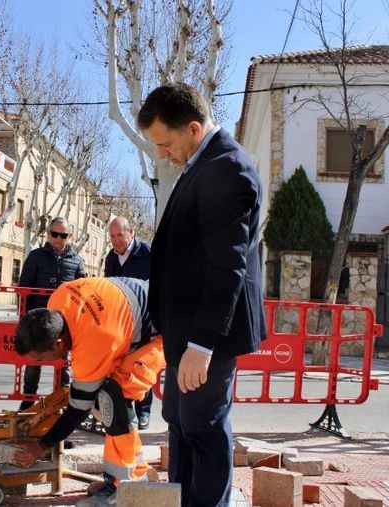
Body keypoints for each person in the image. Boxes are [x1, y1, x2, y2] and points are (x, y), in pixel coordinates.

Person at [138, 83, 266, 507]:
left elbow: (226, 267)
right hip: (186, 334)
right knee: (181, 423)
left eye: (166, 143)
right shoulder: (202, 162)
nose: (162, 154)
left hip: (205, 337)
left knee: (203, 430)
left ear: (193, 128)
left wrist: (201, 344)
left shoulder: (226, 167)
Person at [12, 277, 164, 507]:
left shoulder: (92, 343)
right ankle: (129, 473)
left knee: (113, 398)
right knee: (106, 397)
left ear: (58, 344)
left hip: (167, 330)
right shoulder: (59, 299)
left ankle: (126, 483)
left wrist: (41, 445)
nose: (40, 363)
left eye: (40, 358)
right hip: (131, 318)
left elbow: (77, 410)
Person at [17, 217, 86, 411]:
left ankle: (61, 401)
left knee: (63, 365)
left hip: (64, 323)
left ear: (69, 236)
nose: (58, 239)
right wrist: (23, 317)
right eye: (54, 234)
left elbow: (83, 290)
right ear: (48, 234)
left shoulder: (77, 260)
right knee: (34, 362)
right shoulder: (36, 256)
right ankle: (28, 400)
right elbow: (24, 288)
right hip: (37, 320)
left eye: (63, 235)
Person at [103, 216, 153, 430]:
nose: (116, 241)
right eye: (112, 236)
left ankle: (144, 412)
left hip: (144, 318)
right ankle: (125, 409)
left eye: (120, 235)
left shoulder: (147, 254)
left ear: (131, 232)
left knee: (142, 366)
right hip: (120, 320)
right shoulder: (111, 258)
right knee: (120, 365)